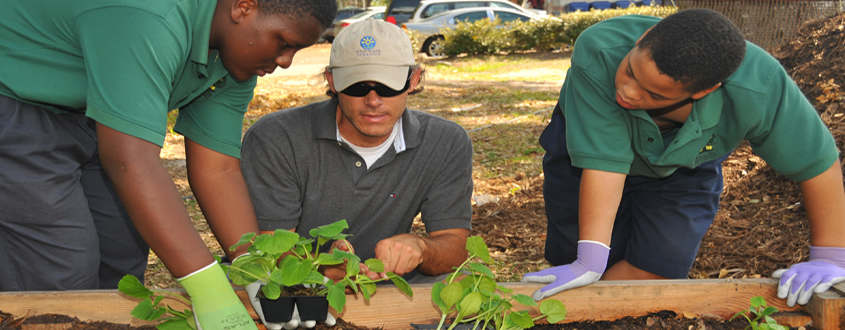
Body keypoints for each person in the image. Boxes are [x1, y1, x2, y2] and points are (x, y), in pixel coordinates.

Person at [0, 0, 336, 328]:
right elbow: (130, 161)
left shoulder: (235, 61)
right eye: (284, 42)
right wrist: (210, 290)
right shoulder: (151, 16)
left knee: (120, 252)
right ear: (244, 7)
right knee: (58, 274)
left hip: (74, 89)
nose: (284, 62)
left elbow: (217, 168)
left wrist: (261, 273)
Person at [521, 8, 845, 308]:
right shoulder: (600, 49)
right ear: (641, 40)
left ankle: (593, 313)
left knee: (657, 268)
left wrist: (830, 256)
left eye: (655, 94)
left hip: (686, 164)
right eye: (631, 71)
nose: (629, 92)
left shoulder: (759, 88)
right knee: (579, 254)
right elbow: (603, 164)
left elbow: (816, 162)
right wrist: (588, 260)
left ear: (704, 91)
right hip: (587, 159)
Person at [241, 19, 473, 284]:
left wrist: (422, 248)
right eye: (358, 86)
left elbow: (455, 248)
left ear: (414, 79)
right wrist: (320, 267)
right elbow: (269, 248)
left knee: (461, 284)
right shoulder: (277, 137)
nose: (373, 101)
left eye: (388, 86)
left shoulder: (445, 142)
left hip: (390, 281)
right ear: (332, 81)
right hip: (294, 284)